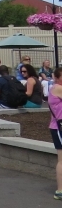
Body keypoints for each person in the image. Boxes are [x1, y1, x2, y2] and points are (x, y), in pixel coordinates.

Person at [47, 68, 62, 200]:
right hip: (59, 128)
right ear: (56, 78)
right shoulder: (58, 88)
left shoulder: (54, 87)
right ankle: (60, 190)